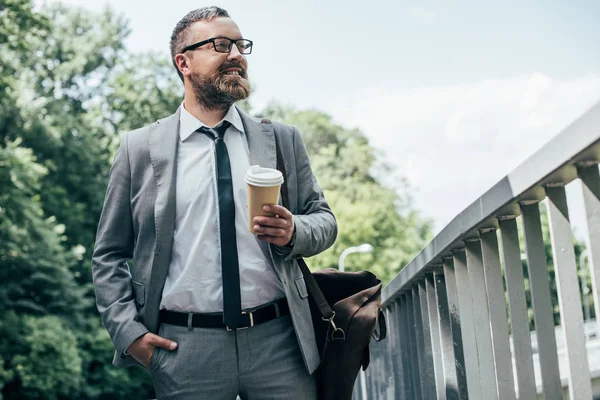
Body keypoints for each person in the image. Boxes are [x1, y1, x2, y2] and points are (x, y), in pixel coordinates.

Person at [91, 6, 337, 400]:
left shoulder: (282, 140)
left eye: (241, 45)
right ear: (183, 62)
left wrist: (294, 231)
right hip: (183, 351)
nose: (237, 55)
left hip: (280, 343)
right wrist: (128, 333)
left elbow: (324, 220)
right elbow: (108, 254)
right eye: (222, 45)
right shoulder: (139, 149)